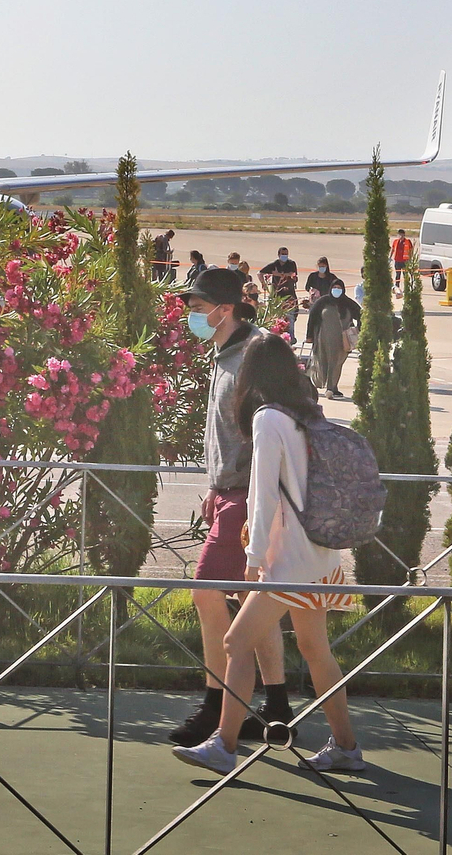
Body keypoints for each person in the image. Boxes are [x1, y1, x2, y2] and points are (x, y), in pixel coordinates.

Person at [172, 334, 364, 776]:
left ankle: (223, 745)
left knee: (235, 643)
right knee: (316, 650)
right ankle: (346, 746)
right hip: (320, 555)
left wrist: (254, 558)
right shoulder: (306, 413)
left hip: (286, 561)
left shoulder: (267, 419)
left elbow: (262, 497)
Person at [168, 269, 292, 747]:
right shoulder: (224, 353)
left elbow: (269, 430)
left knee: (206, 592)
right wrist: (213, 486)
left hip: (247, 496)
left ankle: (217, 706)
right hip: (229, 492)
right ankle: (276, 707)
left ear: (225, 309)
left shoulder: (255, 355)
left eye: (199, 309)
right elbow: (223, 430)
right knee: (250, 601)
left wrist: (248, 494)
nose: (192, 317)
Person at [305, 285, 361, 399]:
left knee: (336, 363)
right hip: (324, 339)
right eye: (334, 287)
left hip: (342, 341)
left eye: (339, 288)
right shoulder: (323, 302)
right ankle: (316, 383)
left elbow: (361, 315)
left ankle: (332, 387)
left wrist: (359, 330)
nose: (337, 290)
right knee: (321, 362)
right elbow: (312, 318)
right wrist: (309, 336)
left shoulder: (348, 303)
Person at [259, 248, 299, 333]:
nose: (285, 256)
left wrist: (279, 274)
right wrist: (263, 283)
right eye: (283, 254)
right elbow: (260, 273)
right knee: (276, 319)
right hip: (277, 296)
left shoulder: (291, 264)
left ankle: (290, 337)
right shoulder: (275, 264)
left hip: (289, 295)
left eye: (286, 254)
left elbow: (293, 275)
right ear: (279, 255)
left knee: (290, 318)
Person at [391, 229, 414, 294]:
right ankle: (397, 288)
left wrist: (410, 259)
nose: (401, 236)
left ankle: (406, 288)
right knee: (397, 275)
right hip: (397, 261)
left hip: (404, 261)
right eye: (400, 235)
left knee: (405, 275)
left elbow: (411, 250)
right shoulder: (395, 241)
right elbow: (393, 249)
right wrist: (390, 257)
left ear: (404, 235)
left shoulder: (407, 241)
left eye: (402, 235)